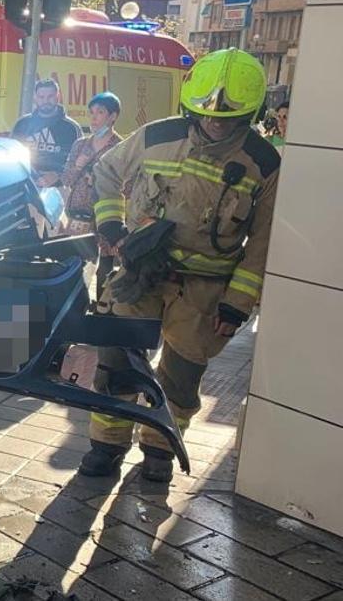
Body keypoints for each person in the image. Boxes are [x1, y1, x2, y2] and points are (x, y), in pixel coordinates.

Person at [80, 48, 280, 483]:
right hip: (140, 275)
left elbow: (262, 242)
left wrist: (237, 304)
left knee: (182, 378)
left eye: (228, 119)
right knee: (117, 363)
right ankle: (106, 447)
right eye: (205, 115)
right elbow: (107, 172)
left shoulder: (263, 164)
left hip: (203, 292)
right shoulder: (157, 136)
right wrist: (112, 223)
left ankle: (159, 450)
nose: (215, 123)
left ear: (250, 115)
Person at [59, 91, 124, 301]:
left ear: (113, 116)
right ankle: (75, 306)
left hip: (106, 216)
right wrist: (79, 164)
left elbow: (129, 183)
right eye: (91, 113)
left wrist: (98, 181)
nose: (94, 118)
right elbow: (66, 178)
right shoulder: (80, 145)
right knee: (76, 262)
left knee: (105, 266)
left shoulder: (121, 147)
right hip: (79, 215)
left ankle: (101, 309)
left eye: (100, 112)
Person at [12, 79, 82, 188]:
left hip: (59, 188)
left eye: (50, 96)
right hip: (26, 185)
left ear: (58, 97)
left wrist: (59, 175)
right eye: (41, 97)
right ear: (35, 98)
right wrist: (34, 176)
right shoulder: (22, 124)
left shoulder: (71, 128)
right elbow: (12, 157)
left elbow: (78, 162)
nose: (46, 101)